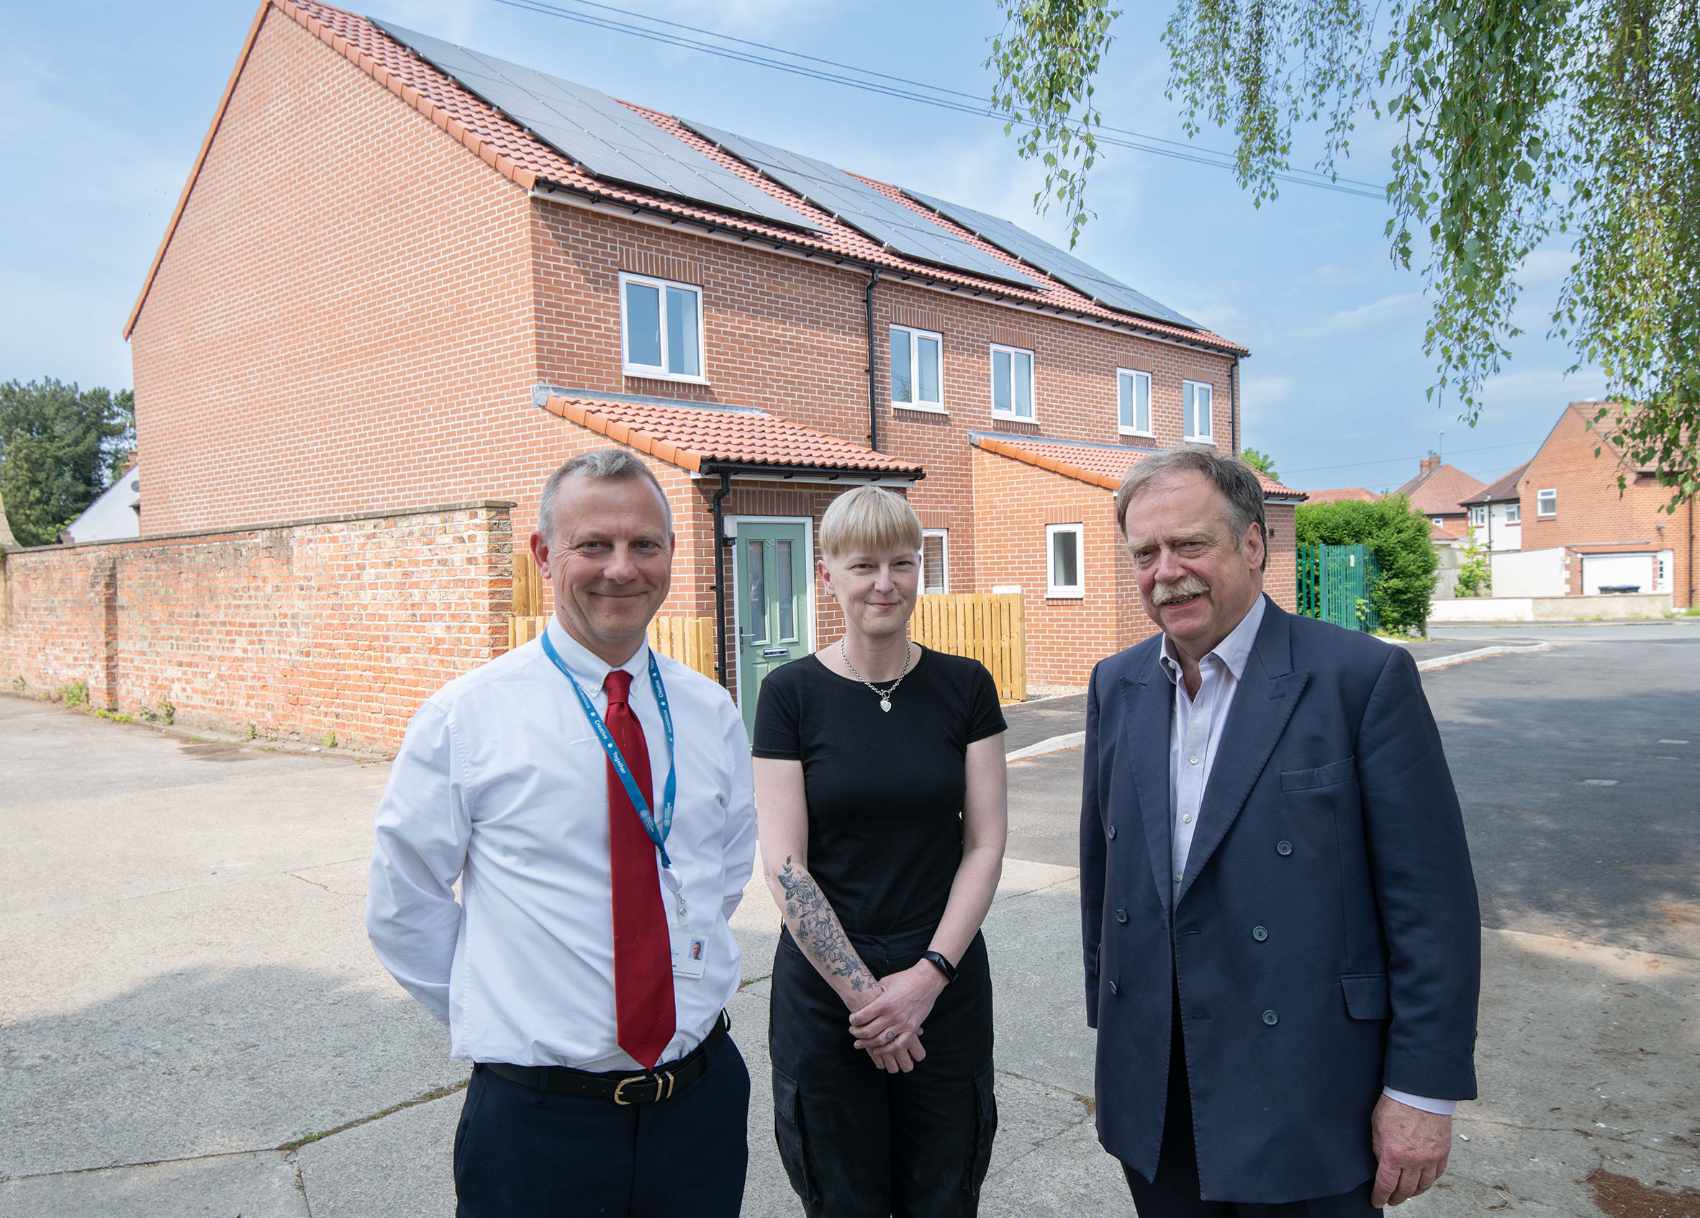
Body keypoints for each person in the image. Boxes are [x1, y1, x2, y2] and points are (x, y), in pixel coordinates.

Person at [1080, 448, 1481, 1215]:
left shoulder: (1361, 680)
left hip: (1312, 1095)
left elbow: (1431, 907)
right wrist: (1118, 1034)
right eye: (1145, 553)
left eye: (1190, 544)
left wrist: (1423, 1089)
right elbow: (1105, 876)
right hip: (1159, 1100)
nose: (1166, 572)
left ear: (1254, 546)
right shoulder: (1116, 684)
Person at [366, 448, 757, 1218]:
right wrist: (512, 1012)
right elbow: (402, 901)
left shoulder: (710, 712)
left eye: (644, 544)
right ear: (546, 555)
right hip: (537, 1128)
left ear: (671, 554)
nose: (622, 568)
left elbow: (723, 868)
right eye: (594, 545)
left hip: (698, 1109)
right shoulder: (468, 717)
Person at [752, 485, 1009, 1218]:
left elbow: (985, 843)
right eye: (864, 564)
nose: (886, 583)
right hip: (830, 999)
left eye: (903, 562)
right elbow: (785, 865)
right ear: (826, 574)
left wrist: (926, 981)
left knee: (944, 1193)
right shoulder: (789, 694)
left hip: (944, 981)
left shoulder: (965, 686)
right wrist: (870, 1000)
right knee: (841, 1198)